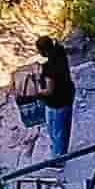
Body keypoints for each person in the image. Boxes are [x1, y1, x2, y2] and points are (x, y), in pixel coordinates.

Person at [34, 35, 75, 163]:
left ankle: (59, 160)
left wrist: (36, 93)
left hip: (56, 102)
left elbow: (49, 90)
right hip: (66, 97)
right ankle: (58, 154)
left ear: (43, 51)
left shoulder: (49, 67)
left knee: (57, 132)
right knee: (60, 131)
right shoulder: (60, 53)